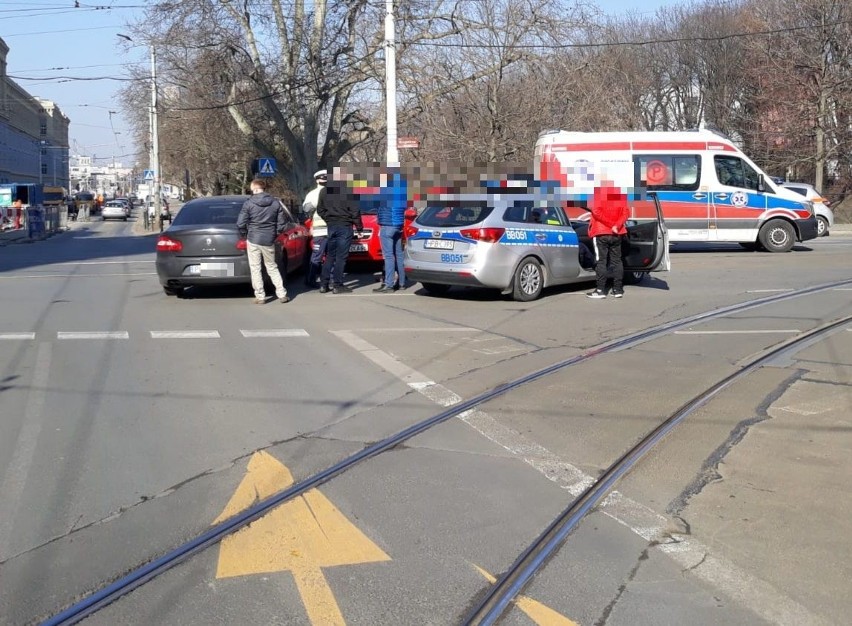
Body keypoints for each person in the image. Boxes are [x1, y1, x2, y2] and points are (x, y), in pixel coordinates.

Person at [236, 177, 291, 304]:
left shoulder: (248, 203)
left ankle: (260, 296)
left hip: (253, 238)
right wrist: (274, 234)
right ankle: (282, 293)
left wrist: (245, 234)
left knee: (255, 268)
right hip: (268, 239)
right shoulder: (275, 202)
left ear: (254, 188)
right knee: (272, 266)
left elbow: (240, 223)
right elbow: (282, 224)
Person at [317, 167, 363, 294]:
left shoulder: (324, 191)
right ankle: (338, 284)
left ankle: (324, 284)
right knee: (341, 257)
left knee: (330, 256)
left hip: (332, 226)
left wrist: (329, 220)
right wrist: (359, 227)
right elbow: (355, 211)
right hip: (345, 226)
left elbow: (320, 210)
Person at [586, 179, 629, 299]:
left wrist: (611, 225)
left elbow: (596, 212)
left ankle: (600, 290)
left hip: (601, 232)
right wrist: (617, 225)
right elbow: (626, 213)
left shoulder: (598, 194)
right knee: (617, 261)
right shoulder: (620, 195)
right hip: (617, 233)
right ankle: (618, 289)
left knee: (601, 261)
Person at [374, 166, 408, 292]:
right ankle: (402, 283)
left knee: (388, 256)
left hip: (387, 225)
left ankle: (389, 284)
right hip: (398, 225)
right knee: (399, 255)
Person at [301, 169, 328, 287]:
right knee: (331, 257)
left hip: (319, 230)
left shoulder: (312, 194)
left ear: (317, 180)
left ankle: (311, 280)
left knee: (317, 256)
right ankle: (327, 281)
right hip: (332, 229)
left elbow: (307, 210)